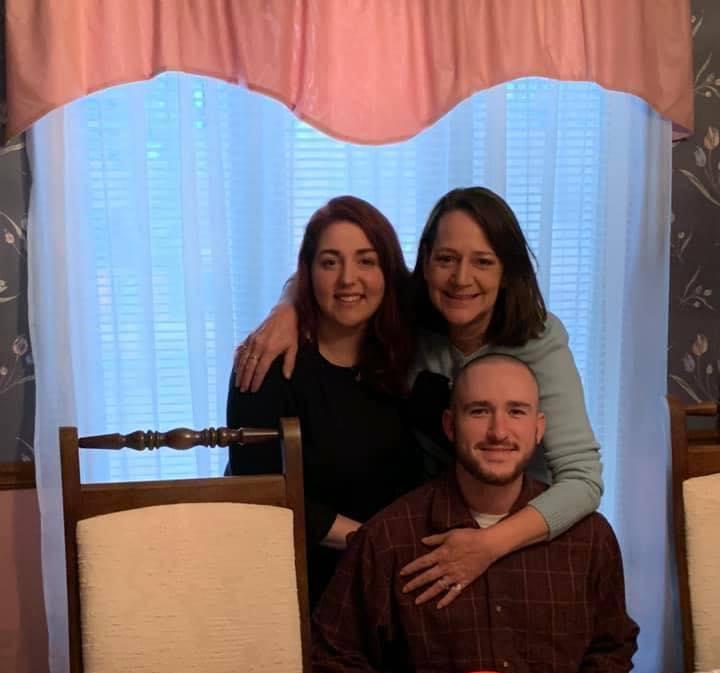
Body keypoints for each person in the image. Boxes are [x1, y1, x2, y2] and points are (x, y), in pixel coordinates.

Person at [233, 187, 602, 609]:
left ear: (508, 270)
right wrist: (287, 307)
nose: (461, 279)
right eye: (446, 259)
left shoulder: (537, 340)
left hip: (518, 533)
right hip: (420, 539)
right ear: (425, 264)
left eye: (483, 261)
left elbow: (583, 479)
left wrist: (487, 545)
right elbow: (349, 278)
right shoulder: (412, 323)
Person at [311, 354, 638, 673]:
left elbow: (612, 648)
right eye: (479, 411)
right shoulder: (389, 538)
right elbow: (333, 659)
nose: (498, 432)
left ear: (539, 428)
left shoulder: (589, 539)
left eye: (516, 412)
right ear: (450, 425)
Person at [226, 196, 421, 606]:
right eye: (330, 262)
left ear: (387, 272)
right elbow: (258, 489)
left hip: (402, 574)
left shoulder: (410, 353)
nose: (348, 279)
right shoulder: (264, 363)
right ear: (309, 273)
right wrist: (371, 544)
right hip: (296, 579)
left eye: (366, 261)